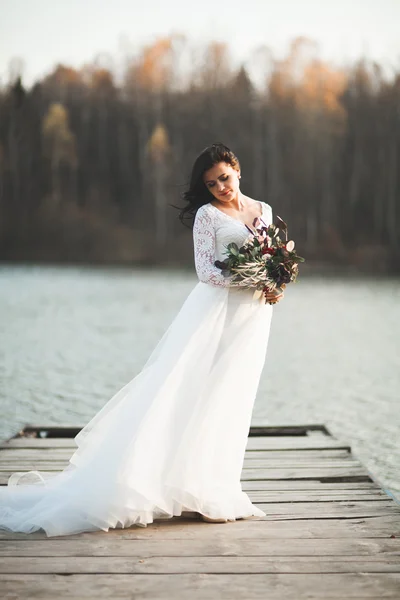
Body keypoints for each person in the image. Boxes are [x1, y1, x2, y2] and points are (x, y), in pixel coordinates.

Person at [0, 143, 283, 537]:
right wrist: (253, 278)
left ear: (238, 170)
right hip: (215, 312)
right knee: (192, 390)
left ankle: (215, 489)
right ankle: (172, 485)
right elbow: (206, 272)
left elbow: (274, 257)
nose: (220, 186)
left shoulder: (264, 210)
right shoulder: (207, 215)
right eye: (211, 183)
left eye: (224, 177)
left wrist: (275, 281)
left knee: (233, 395)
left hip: (253, 316)